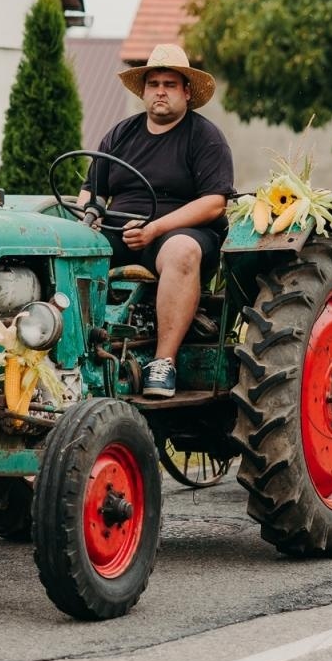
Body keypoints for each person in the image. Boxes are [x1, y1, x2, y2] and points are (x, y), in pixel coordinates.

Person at [79, 44, 234, 397]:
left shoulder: (204, 137)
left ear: (186, 92)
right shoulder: (120, 135)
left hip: (181, 233)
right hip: (121, 229)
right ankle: (71, 351)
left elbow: (213, 203)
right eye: (153, 83)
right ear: (144, 91)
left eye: (169, 83)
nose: (160, 91)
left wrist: (154, 229)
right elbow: (91, 191)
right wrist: (87, 219)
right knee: (72, 247)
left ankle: (163, 363)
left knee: (181, 250)